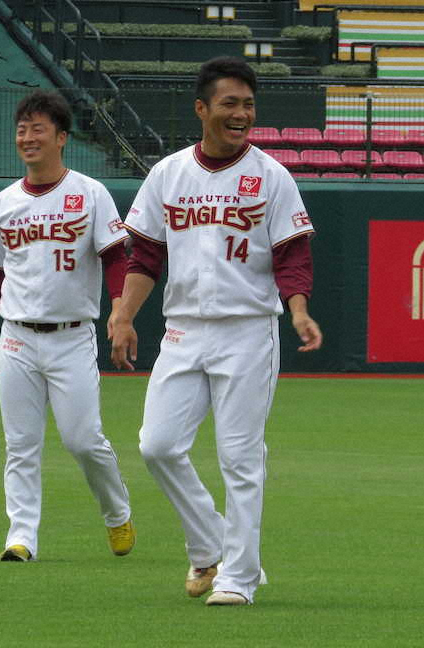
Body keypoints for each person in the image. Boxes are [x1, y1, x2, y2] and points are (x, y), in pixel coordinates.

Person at [110, 56, 322, 607]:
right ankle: (209, 544)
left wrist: (298, 311)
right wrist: (124, 315)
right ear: (202, 109)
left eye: (249, 104)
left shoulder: (271, 176)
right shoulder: (169, 173)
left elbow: (292, 256)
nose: (242, 113)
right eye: (230, 103)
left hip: (247, 330)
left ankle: (238, 579)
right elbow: (145, 255)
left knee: (240, 458)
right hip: (183, 330)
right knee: (157, 445)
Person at [0, 89, 135, 562]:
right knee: (20, 444)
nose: (27, 137)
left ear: (61, 137)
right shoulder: (5, 201)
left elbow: (115, 259)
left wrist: (120, 313)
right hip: (16, 337)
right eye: (22, 130)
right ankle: (21, 537)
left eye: (38, 129)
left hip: (72, 336)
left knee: (83, 440)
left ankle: (117, 512)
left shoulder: (90, 193)